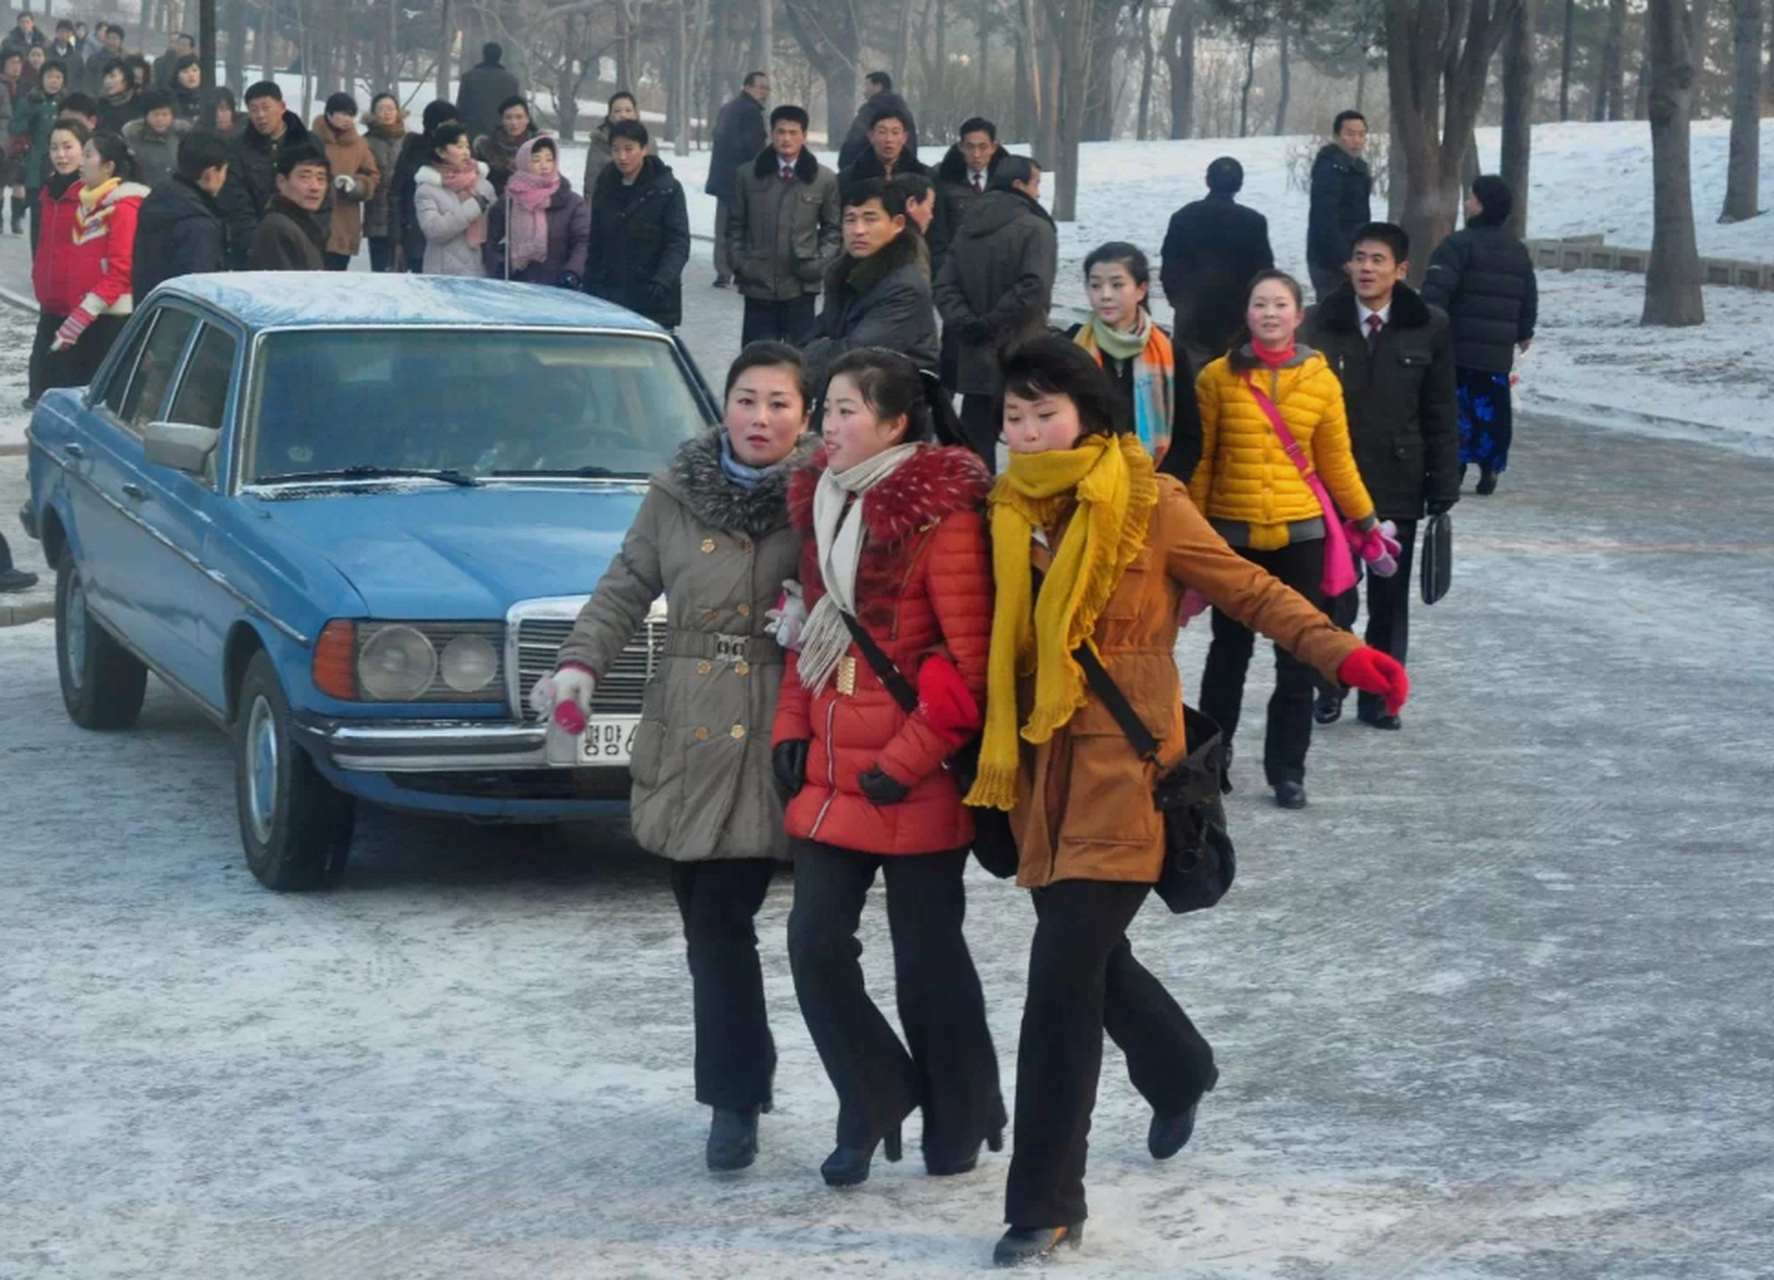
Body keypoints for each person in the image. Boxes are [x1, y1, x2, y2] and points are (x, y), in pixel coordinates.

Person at [961, 336, 1407, 1266]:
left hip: (1130, 773)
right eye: (1014, 417)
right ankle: (1180, 1067)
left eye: (1046, 414)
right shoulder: (1003, 512)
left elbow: (1247, 587)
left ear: (1089, 415)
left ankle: (1043, 1205)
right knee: (1091, 965)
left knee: (1058, 981)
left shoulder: (1148, 503)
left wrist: (1340, 652)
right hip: (1038, 778)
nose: (1029, 433)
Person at [535, 342, 818, 1173]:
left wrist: (819, 608)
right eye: (746, 400)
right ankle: (747, 1079)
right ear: (721, 406)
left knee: (725, 918)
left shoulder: (821, 495)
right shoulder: (674, 489)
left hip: (772, 719)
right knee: (702, 920)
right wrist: (580, 666)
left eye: (779, 404)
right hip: (685, 717)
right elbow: (625, 585)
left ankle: (732, 1102)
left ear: (805, 417)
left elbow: (865, 584)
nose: (760, 418)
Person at [773, 346, 1005, 1188]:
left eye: (844, 412)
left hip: (917, 771)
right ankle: (874, 1092)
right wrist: (788, 729)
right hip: (833, 766)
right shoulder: (824, 506)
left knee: (928, 959)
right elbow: (809, 629)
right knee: (814, 943)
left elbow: (968, 663)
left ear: (896, 424)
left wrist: (903, 763)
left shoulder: (941, 519)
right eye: (824, 410)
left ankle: (964, 1107)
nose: (825, 427)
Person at [1192, 270, 1380, 810]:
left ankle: (1288, 770)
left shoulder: (1321, 381)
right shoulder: (1215, 379)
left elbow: (1336, 461)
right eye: (1259, 304)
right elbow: (1205, 462)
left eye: (1280, 304)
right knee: (1227, 655)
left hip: (1302, 537)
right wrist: (1195, 533)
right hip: (1233, 535)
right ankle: (1211, 762)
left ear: (1299, 317)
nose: (1269, 313)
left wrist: (1366, 522)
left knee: (1297, 656)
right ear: (1246, 314)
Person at [1303, 222, 1459, 732]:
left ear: (1401, 270)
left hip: (1399, 482)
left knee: (1389, 603)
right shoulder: (1319, 323)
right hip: (1331, 487)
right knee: (1334, 594)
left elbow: (1439, 410)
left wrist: (1443, 482)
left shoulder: (1429, 325)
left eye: (1377, 260)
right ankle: (1328, 686)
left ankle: (1381, 696)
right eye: (1359, 258)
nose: (1366, 268)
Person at [933, 154, 1055, 469]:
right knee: (1032, 439)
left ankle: (977, 512)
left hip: (974, 356)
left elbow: (944, 286)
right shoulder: (1036, 228)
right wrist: (991, 323)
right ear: (1019, 185)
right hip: (1022, 353)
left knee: (975, 449)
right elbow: (1034, 287)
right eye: (1036, 183)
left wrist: (968, 323)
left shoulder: (967, 229)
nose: (1039, 193)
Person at [1420, 174, 1538, 496]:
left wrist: (1427, 325)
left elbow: (1437, 290)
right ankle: (1490, 467)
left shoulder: (1457, 245)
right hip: (1496, 354)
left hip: (1458, 350)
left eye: (1472, 197)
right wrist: (1524, 330)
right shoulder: (1517, 250)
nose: (1467, 202)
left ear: (1482, 206)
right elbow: (1529, 294)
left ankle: (1454, 466)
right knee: (1492, 412)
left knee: (1455, 411)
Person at [1065, 242, 1199, 479]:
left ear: (1141, 289)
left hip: (1152, 486)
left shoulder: (1168, 351)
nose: (1105, 295)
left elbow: (1188, 436)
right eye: (1096, 285)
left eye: (1117, 285)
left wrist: (1159, 486)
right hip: (1082, 484)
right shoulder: (1071, 348)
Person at [800, 179, 938, 388]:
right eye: (850, 219)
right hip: (849, 394)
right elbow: (816, 332)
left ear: (897, 224)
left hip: (893, 400)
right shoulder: (843, 275)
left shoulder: (905, 286)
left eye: (870, 219)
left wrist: (817, 349)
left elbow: (857, 355)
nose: (859, 230)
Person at [40, 128, 146, 388]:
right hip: (84, 317)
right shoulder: (88, 204)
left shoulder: (123, 209)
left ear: (108, 166)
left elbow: (120, 272)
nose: (81, 161)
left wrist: (81, 316)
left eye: (88, 155)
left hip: (107, 321)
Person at [726, 103, 839, 344]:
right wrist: (741, 264)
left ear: (804, 136)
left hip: (801, 285)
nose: (786, 138)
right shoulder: (748, 175)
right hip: (758, 284)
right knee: (757, 359)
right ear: (772, 134)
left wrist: (819, 263)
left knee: (799, 363)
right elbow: (734, 226)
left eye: (793, 132)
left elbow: (834, 230)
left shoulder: (823, 179)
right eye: (780, 131)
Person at [1159, 156, 1275, 376]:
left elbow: (1169, 268)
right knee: (1234, 390)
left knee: (1192, 389)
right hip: (1237, 322)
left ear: (1207, 180)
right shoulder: (1253, 222)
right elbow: (1264, 274)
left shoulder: (1183, 217)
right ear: (1240, 184)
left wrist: (1179, 303)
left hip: (1191, 318)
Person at [584, 119, 689, 328]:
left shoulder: (667, 188)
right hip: (610, 296)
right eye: (616, 150)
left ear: (644, 149)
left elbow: (678, 242)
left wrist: (662, 281)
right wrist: (590, 283)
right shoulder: (605, 185)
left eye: (629, 149)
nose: (622, 157)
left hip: (653, 298)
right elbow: (595, 240)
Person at [218, 80, 312, 269]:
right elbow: (237, 202)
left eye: (266, 108)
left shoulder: (308, 143)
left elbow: (322, 198)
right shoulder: (237, 147)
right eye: (254, 109)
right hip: (251, 249)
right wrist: (255, 245)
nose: (261, 116)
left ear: (282, 107)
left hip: (302, 243)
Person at [25, 117, 86, 405]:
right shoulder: (48, 190)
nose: (60, 155)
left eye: (68, 147)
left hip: (77, 303)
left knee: (66, 386)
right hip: (49, 296)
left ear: (84, 149)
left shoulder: (90, 194)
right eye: (54, 148)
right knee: (40, 381)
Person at [132, 127, 230, 297]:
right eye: (224, 171)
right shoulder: (199, 225)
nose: (224, 178)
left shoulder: (160, 199)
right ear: (210, 174)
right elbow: (200, 292)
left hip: (152, 312)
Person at [483, 135, 587, 287]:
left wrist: (572, 273)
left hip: (559, 288)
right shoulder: (509, 201)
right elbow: (491, 239)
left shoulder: (572, 202)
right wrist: (499, 267)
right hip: (517, 287)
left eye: (549, 159)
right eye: (536, 160)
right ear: (524, 162)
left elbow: (583, 241)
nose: (544, 166)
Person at [705, 70, 769, 289]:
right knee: (743, 227)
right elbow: (754, 149)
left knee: (723, 226)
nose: (765, 92)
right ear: (747, 87)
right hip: (743, 179)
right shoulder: (751, 112)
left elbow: (717, 138)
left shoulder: (727, 108)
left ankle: (722, 272)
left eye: (766, 88)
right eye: (761, 87)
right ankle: (741, 270)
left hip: (723, 177)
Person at [412, 120, 493, 277]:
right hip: (443, 275)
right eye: (459, 147)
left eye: (467, 146)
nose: (466, 152)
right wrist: (473, 207)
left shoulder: (483, 185)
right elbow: (434, 230)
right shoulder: (427, 189)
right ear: (441, 152)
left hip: (480, 272)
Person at [1306, 109, 1372, 301]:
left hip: (1354, 254)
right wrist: (1342, 257)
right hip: (1329, 259)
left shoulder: (1358, 167)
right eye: (1350, 134)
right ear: (1337, 136)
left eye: (1361, 134)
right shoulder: (1330, 168)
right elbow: (1324, 217)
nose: (1357, 140)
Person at [312, 92, 379, 270]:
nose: (347, 119)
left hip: (345, 219)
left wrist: (356, 186)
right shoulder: (311, 140)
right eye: (342, 114)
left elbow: (372, 175)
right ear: (329, 114)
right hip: (313, 218)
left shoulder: (359, 144)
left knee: (337, 274)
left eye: (351, 114)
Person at [391, 99, 459, 273]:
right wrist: (397, 241)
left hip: (453, 241)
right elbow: (396, 197)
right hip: (416, 238)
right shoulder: (413, 151)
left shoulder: (459, 151)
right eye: (448, 123)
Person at [9, 57, 66, 245]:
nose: (54, 81)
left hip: (62, 167)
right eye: (50, 77)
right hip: (35, 167)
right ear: (42, 79)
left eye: (58, 77)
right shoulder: (30, 101)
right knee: (38, 217)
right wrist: (29, 121)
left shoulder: (66, 104)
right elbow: (13, 127)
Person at [248, 141, 330, 270]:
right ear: (281, 181)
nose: (315, 187)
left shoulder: (306, 224)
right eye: (305, 177)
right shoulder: (277, 228)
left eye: (321, 179)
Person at [580, 90, 652, 210]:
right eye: (617, 111)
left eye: (628, 110)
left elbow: (655, 181)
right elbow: (591, 187)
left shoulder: (647, 141)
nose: (623, 115)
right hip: (608, 209)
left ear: (636, 113)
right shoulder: (599, 143)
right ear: (610, 115)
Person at [836, 70, 918, 172]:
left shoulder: (869, 111)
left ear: (878, 86)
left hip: (869, 173)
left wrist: (845, 165)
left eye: (867, 86)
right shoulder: (905, 112)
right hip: (904, 171)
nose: (864, 92)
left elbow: (854, 141)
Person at [360, 93, 405, 272]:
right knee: (379, 271)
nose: (387, 113)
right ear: (373, 113)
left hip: (403, 216)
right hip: (377, 215)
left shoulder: (408, 140)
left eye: (391, 108)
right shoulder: (365, 142)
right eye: (382, 109)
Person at [935, 116, 1001, 236]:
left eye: (983, 147)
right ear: (961, 147)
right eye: (970, 147)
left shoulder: (1005, 181)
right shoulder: (944, 180)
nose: (976, 155)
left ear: (993, 147)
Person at [119, 88, 189, 188]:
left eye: (165, 114)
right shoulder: (133, 139)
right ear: (146, 116)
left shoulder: (181, 137)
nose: (160, 119)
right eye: (156, 114)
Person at [454, 41, 520, 145]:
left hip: (472, 134)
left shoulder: (469, 77)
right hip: (501, 136)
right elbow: (516, 109)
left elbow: (461, 108)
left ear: (483, 55)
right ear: (500, 56)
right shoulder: (511, 81)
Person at [473, 94, 535, 196]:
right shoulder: (487, 147)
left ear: (527, 119)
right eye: (508, 117)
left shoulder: (539, 146)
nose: (514, 123)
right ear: (502, 120)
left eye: (519, 117)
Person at [94, 58, 141, 133]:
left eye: (113, 76)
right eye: (105, 77)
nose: (107, 81)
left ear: (126, 80)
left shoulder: (140, 105)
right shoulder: (99, 106)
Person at [170, 53, 203, 123]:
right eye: (185, 72)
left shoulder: (209, 96)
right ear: (177, 76)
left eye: (195, 70)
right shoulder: (170, 98)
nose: (191, 75)